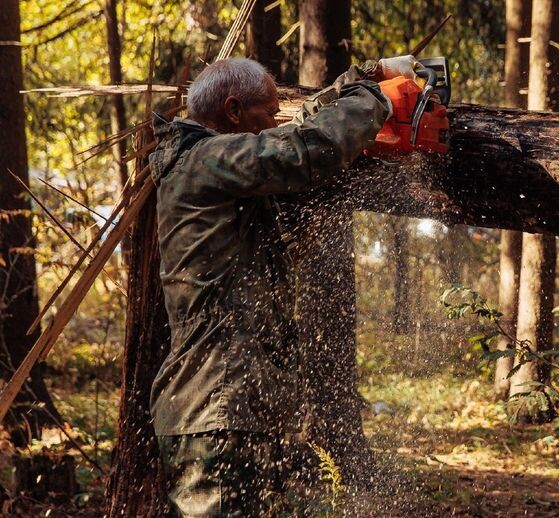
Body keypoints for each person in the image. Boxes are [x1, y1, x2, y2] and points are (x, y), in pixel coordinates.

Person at [149, 55, 417, 517]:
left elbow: (291, 134)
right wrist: (376, 101)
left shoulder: (217, 164)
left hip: (234, 410)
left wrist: (361, 78)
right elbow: (299, 151)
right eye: (268, 113)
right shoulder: (204, 162)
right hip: (214, 408)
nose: (275, 121)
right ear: (233, 111)